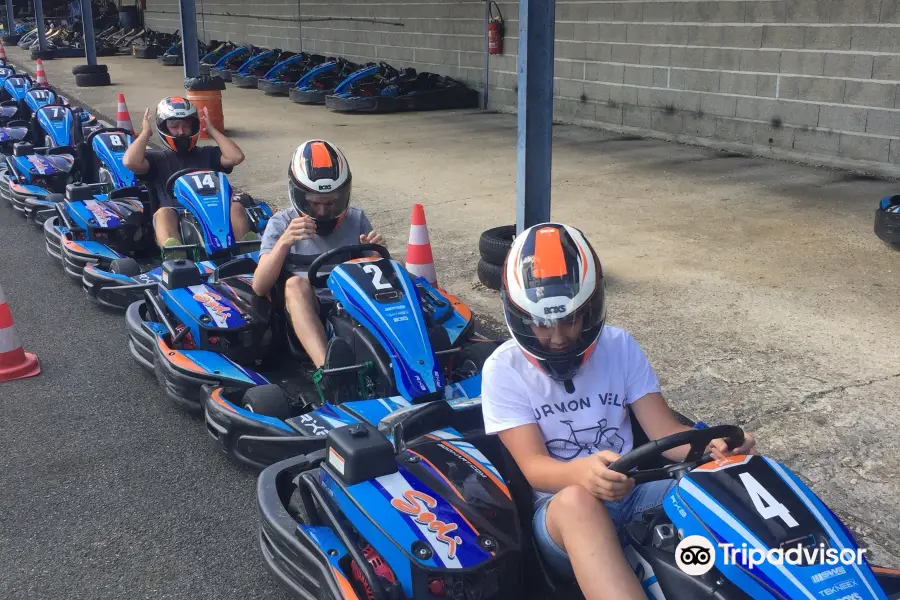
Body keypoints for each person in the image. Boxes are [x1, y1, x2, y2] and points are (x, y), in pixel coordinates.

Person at [480, 222, 757, 600]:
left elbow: (665, 434)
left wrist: (716, 451)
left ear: (590, 308)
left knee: (730, 479)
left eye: (570, 320)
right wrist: (582, 474)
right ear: (519, 316)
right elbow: (534, 468)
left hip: (635, 489)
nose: (558, 337)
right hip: (561, 515)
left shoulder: (620, 347)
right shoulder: (504, 369)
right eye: (542, 324)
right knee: (579, 501)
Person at [252, 140, 385, 396]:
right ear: (300, 196)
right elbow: (259, 286)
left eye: (331, 202)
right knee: (295, 284)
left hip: (351, 303)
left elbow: (376, 275)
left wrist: (374, 253)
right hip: (306, 307)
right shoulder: (281, 223)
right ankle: (331, 373)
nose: (323, 210)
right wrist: (284, 243)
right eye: (315, 203)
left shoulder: (356, 219)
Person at [122, 96, 255, 260]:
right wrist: (145, 134)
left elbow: (236, 157)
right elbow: (129, 162)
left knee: (235, 207)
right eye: (175, 126)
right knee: (163, 213)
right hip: (175, 216)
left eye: (186, 125)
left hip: (213, 214)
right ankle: (176, 257)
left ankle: (248, 254)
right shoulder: (156, 159)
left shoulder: (207, 154)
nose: (181, 132)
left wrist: (213, 131)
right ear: (164, 128)